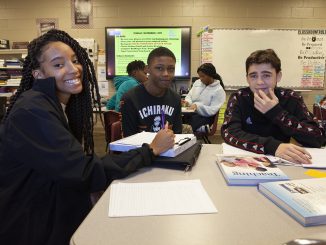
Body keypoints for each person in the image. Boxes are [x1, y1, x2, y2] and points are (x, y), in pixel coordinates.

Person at [0, 29, 175, 245]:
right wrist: (150, 150)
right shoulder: (33, 110)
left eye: (74, 60)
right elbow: (83, 171)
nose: (74, 69)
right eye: (58, 64)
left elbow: (65, 168)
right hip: (28, 224)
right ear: (38, 74)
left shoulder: (55, 105)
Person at [221, 49, 326, 165]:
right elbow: (229, 132)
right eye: (253, 76)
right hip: (245, 162)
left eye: (266, 75)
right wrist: (273, 146)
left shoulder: (291, 98)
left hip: (283, 164)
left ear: (278, 76)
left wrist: (276, 113)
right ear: (247, 79)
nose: (260, 82)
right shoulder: (239, 97)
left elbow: (318, 137)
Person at [120, 46, 183, 137]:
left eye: (171, 69)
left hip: (168, 150)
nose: (166, 74)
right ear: (147, 69)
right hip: (140, 150)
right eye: (159, 68)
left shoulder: (175, 98)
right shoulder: (130, 99)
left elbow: (177, 136)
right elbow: (129, 142)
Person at [183, 63, 226, 132]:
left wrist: (197, 107)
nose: (201, 79)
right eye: (199, 76)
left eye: (203, 76)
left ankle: (201, 128)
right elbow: (189, 96)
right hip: (191, 113)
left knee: (186, 127)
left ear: (211, 75)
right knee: (177, 120)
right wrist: (188, 102)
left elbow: (213, 110)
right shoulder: (197, 83)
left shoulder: (219, 90)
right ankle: (201, 129)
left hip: (205, 117)